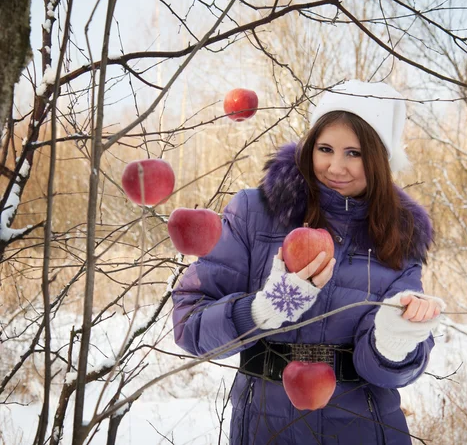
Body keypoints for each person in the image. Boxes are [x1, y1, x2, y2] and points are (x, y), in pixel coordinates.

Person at [171, 80, 446, 445]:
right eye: (326, 149)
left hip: (363, 427)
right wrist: (264, 309)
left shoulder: (398, 235)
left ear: (380, 159)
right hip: (265, 428)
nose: (336, 167)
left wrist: (394, 340)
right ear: (309, 147)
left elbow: (391, 373)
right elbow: (190, 324)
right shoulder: (256, 212)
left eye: (355, 153)